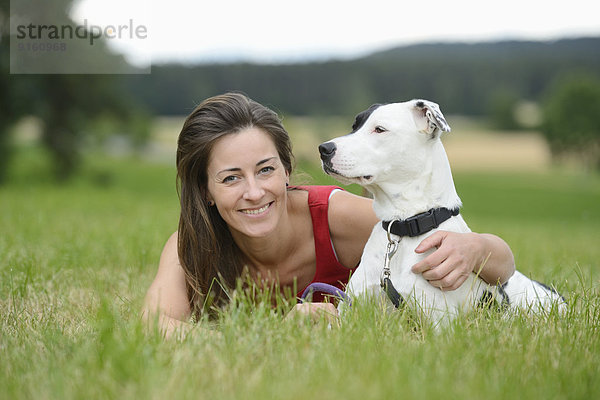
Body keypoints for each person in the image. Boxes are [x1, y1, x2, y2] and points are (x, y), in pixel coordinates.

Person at [143, 92, 515, 337]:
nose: (254, 192)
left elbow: (502, 267)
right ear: (205, 190)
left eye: (266, 169)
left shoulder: (337, 217)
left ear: (287, 169)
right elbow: (152, 325)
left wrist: (476, 248)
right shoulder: (192, 246)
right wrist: (274, 337)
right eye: (230, 178)